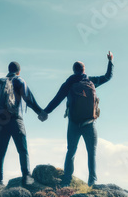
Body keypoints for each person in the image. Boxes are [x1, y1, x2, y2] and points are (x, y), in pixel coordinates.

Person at [44, 51, 113, 186]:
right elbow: (107, 77)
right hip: (89, 123)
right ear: (84, 70)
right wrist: (110, 61)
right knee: (91, 152)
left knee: (71, 151)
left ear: (74, 70)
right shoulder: (91, 81)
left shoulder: (69, 84)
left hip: (74, 124)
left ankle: (66, 180)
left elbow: (57, 99)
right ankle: (92, 181)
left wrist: (45, 112)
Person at [0, 61, 47, 192]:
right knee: (22, 150)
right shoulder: (18, 80)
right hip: (15, 120)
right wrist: (41, 112)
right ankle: (26, 177)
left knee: (1, 153)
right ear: (19, 71)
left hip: (0, 122)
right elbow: (29, 99)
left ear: (8, 70)